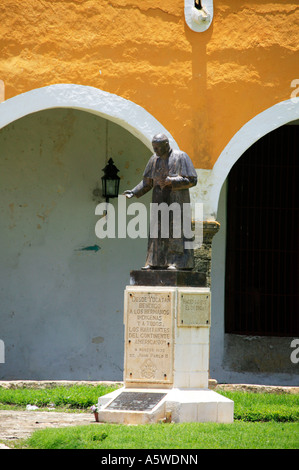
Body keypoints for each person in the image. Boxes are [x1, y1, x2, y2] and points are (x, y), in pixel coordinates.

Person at [123, 134, 197, 270]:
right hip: (159, 201)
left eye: (158, 148)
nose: (155, 151)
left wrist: (172, 181)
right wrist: (133, 192)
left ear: (167, 145)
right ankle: (154, 262)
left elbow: (193, 180)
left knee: (176, 232)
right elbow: (147, 182)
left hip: (177, 202)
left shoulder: (181, 157)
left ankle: (177, 262)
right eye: (154, 148)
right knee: (157, 232)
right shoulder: (154, 160)